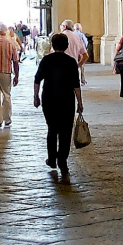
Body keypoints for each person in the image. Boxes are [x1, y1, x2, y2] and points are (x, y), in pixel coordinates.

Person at [34, 31, 84, 178]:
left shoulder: (46, 60)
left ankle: (51, 159)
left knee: (52, 129)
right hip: (67, 100)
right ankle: (62, 161)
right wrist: (80, 103)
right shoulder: (71, 62)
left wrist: (36, 96)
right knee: (65, 132)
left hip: (49, 99)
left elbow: (37, 79)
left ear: (52, 45)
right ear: (66, 46)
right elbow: (76, 85)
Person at [0, 23, 20, 127]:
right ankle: (7, 119)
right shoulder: (10, 44)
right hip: (6, 73)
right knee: (6, 95)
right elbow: (15, 61)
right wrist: (16, 76)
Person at [62, 18, 90, 89]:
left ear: (64, 27)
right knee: (73, 89)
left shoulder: (60, 37)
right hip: (73, 68)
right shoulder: (77, 37)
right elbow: (85, 55)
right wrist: (77, 65)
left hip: (61, 68)